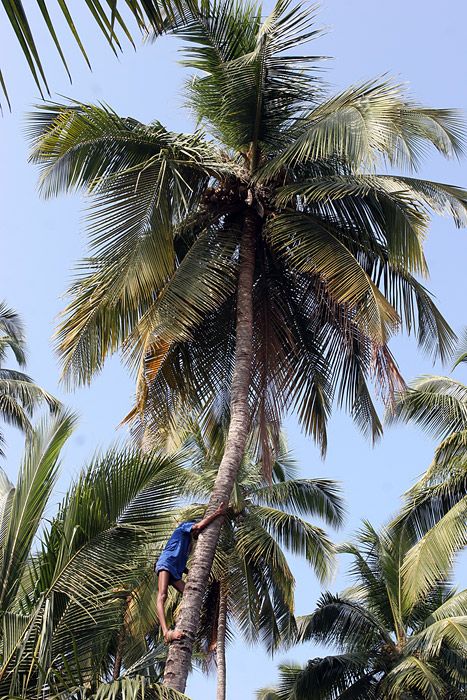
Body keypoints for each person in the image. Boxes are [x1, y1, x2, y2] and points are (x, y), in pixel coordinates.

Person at [156, 501, 226, 643]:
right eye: (196, 532)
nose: (198, 532)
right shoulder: (183, 527)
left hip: (175, 570)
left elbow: (182, 563)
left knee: (190, 593)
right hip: (166, 563)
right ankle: (166, 632)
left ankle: (181, 620)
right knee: (162, 596)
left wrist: (194, 573)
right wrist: (217, 513)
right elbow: (199, 526)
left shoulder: (187, 544)